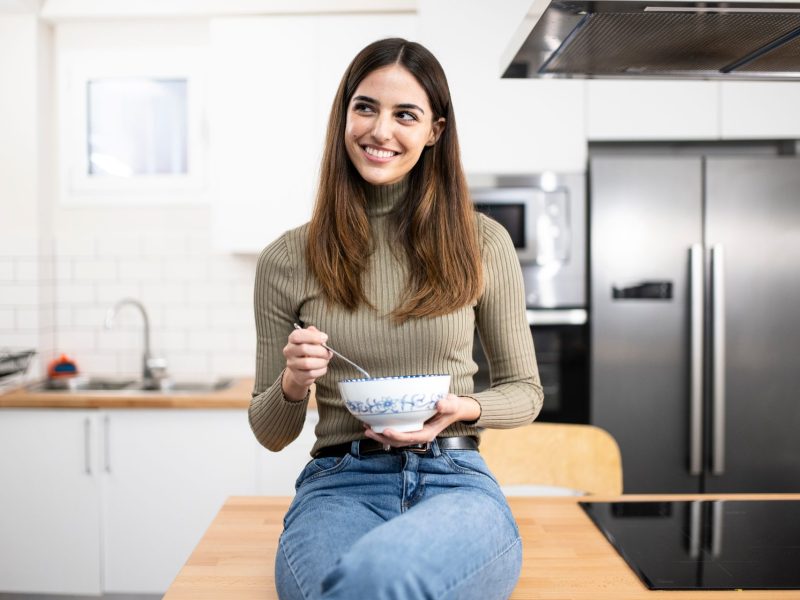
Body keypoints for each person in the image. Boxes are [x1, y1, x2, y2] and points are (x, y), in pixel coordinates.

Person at [250, 37, 543, 600]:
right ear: (344, 118)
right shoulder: (286, 260)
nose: (380, 131)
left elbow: (525, 392)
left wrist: (468, 407)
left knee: (381, 579)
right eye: (365, 108)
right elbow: (270, 432)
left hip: (455, 480)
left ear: (434, 129)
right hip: (340, 485)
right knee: (360, 584)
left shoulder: (483, 243)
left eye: (404, 114)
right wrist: (293, 382)